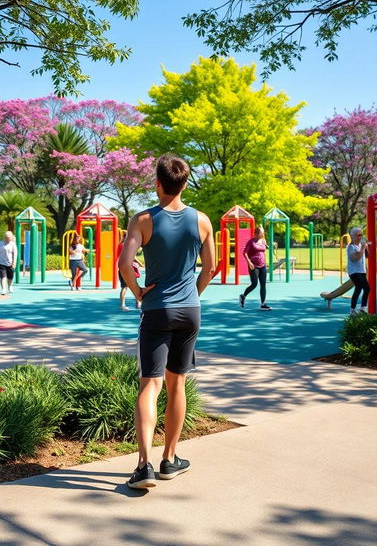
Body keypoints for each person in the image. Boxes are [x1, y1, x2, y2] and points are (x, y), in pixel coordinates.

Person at [119, 154, 215, 490]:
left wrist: (138, 292)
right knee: (177, 385)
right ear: (184, 183)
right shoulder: (202, 221)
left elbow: (124, 262)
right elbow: (210, 268)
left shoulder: (142, 219)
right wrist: (194, 295)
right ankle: (170, 459)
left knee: (150, 385)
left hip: (157, 309)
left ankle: (144, 466)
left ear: (157, 183)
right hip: (190, 311)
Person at [238, 226, 272, 310]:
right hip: (254, 266)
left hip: (262, 265)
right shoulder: (251, 242)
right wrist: (249, 262)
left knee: (263, 284)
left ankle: (263, 304)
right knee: (254, 284)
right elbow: (245, 253)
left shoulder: (263, 241)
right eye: (262, 232)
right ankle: (243, 296)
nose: (263, 234)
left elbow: (263, 251)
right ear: (257, 233)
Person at [347, 227, 371, 315]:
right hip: (354, 272)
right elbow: (355, 258)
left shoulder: (361, 245)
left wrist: (367, 247)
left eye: (361, 235)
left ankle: (362, 307)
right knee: (359, 287)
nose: (361, 237)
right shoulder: (351, 247)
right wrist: (362, 248)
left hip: (362, 271)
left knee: (366, 288)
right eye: (358, 235)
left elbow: (368, 256)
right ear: (353, 236)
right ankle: (353, 309)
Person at [117, 232, 143, 310]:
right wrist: (141, 264)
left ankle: (123, 304)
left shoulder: (120, 245)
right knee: (134, 285)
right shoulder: (127, 245)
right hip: (129, 268)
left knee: (124, 287)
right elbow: (133, 257)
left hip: (122, 267)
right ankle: (138, 302)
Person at [0, 231, 17, 295]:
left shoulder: (13, 244)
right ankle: (4, 289)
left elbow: (15, 254)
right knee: (3, 276)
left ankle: (10, 286)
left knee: (10, 277)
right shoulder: (1, 243)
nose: (9, 239)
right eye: (7, 237)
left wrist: (14, 262)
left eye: (10, 237)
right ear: (5, 237)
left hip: (10, 263)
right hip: (1, 263)